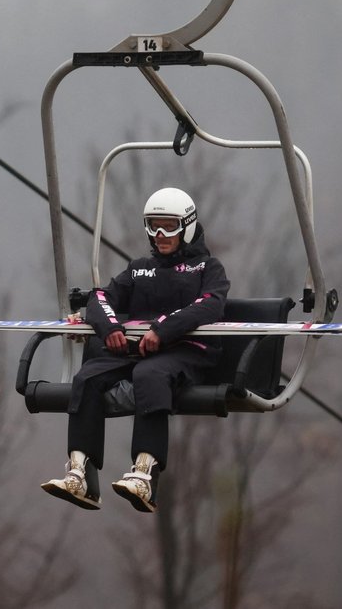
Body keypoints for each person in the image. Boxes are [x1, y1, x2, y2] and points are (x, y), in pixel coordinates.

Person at [42, 187, 230, 512]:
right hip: (137, 350)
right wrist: (110, 328)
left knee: (149, 375)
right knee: (88, 376)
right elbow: (100, 298)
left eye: (169, 226)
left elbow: (210, 306)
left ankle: (145, 473)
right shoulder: (140, 268)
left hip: (185, 353)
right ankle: (81, 472)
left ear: (186, 226)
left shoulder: (207, 269)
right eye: (154, 225)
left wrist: (163, 330)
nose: (160, 234)